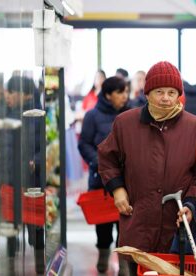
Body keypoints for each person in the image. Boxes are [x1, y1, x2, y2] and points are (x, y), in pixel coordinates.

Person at [97, 61, 196, 275]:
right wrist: (117, 189)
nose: (166, 98)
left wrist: (192, 204)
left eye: (172, 92)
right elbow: (106, 157)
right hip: (138, 220)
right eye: (159, 91)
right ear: (147, 92)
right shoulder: (125, 123)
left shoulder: (195, 127)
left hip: (178, 224)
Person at [78, 77, 129, 274]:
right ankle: (103, 254)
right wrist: (100, 163)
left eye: (126, 91)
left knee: (125, 223)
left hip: (126, 181)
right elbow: (84, 144)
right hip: (100, 180)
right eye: (120, 92)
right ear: (108, 95)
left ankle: (123, 263)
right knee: (103, 224)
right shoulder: (93, 115)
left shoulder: (130, 113)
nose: (125, 96)